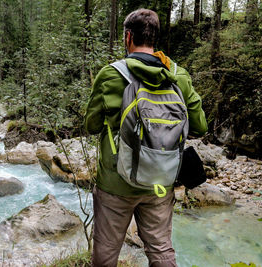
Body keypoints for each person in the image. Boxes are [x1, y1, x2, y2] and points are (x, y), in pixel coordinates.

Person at [84, 8, 208, 267]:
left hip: (115, 184)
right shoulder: (177, 75)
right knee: (161, 250)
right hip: (160, 181)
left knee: (106, 254)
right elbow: (200, 126)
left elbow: (92, 125)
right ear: (154, 38)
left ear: (128, 36)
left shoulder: (110, 75)